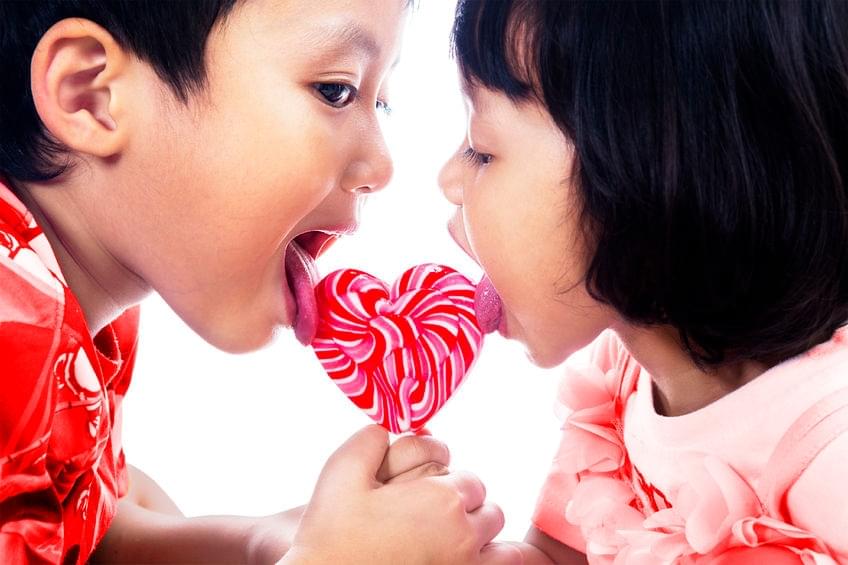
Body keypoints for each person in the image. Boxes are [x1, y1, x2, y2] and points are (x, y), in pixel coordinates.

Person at [0, 1, 510, 563]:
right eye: (335, 90)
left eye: (380, 102)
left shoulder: (78, 309)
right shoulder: (11, 322)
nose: (382, 166)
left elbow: (80, 529)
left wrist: (261, 543)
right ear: (91, 98)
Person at [439, 0, 848, 563]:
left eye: (482, 151)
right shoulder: (620, 382)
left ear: (646, 170)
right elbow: (555, 558)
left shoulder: (829, 453)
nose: (448, 180)